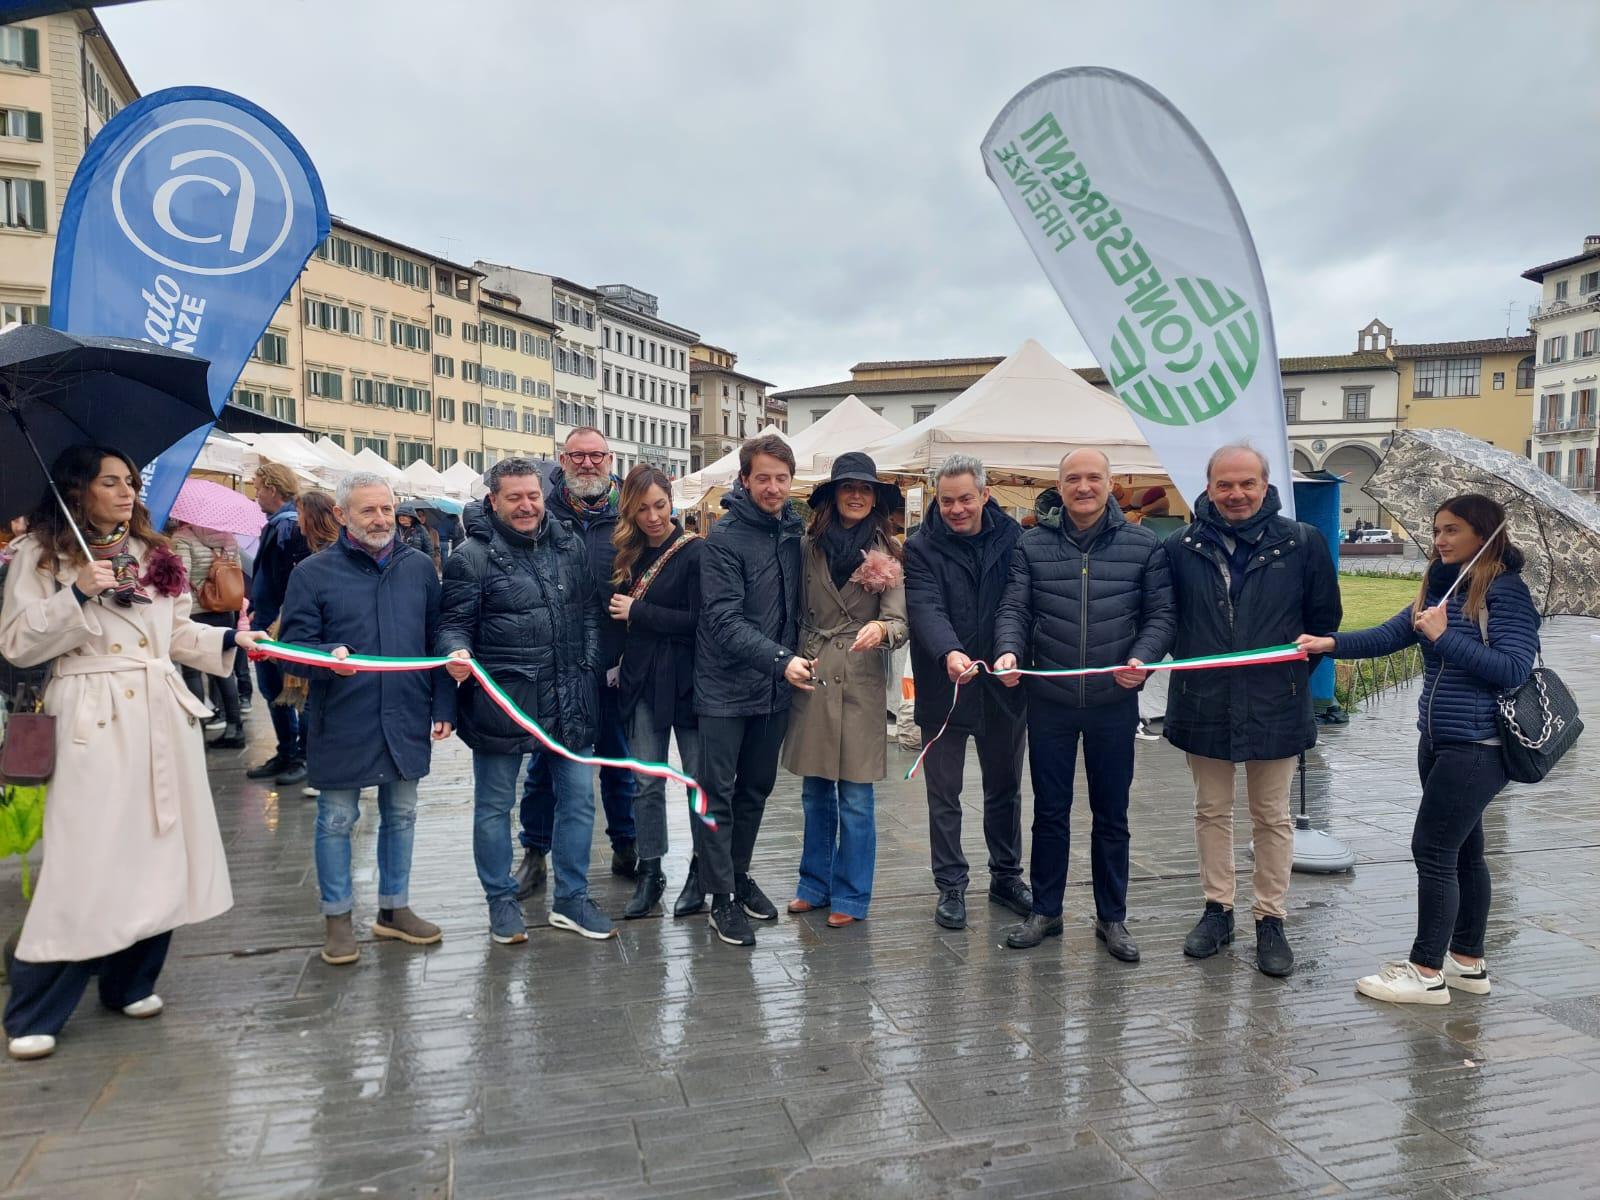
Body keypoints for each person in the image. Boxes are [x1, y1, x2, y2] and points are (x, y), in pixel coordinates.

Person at [1, 445, 258, 1061]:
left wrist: (235, 639)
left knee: (159, 850)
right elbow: (15, 643)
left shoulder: (152, 552)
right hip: (91, 715)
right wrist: (75, 596)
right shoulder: (40, 554)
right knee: (85, 860)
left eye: (129, 482)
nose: (125, 493)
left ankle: (130, 981)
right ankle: (36, 1004)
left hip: (160, 715)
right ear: (77, 489)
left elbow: (175, 635)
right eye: (110, 482)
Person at [1298, 494, 1539, 1005]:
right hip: (1438, 740)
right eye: (1436, 530)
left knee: (1432, 851)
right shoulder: (1444, 582)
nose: (1439, 540)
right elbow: (1393, 634)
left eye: (1452, 530)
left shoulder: (1507, 592)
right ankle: (1467, 964)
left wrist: (1445, 638)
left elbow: (1514, 669)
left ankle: (1425, 971)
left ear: (1482, 534)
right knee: (1465, 853)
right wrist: (1329, 644)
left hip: (1478, 745)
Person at [1164, 443, 1341, 977]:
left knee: (1272, 816)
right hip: (1204, 699)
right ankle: (1218, 910)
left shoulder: (1302, 542)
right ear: (1209, 486)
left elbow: (1322, 622)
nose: (1236, 494)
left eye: (1247, 483)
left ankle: (1271, 917)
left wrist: (1285, 680)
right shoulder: (1181, 545)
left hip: (1275, 702)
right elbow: (1169, 622)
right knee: (1211, 811)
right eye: (1225, 484)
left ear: (1266, 486)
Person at [993, 450, 1175, 959]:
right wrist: (1007, 649)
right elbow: (1014, 606)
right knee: (1050, 812)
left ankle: (1111, 918)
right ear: (1060, 485)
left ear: (1111, 485)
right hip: (1049, 700)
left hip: (1113, 702)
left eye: (1094, 477)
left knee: (1111, 814)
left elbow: (1161, 615)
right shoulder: (1031, 545)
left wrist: (1142, 658)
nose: (1084, 486)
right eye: (1073, 478)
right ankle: (1046, 910)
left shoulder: (1143, 545)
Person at [278, 472, 456, 967]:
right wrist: (323, 657)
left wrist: (444, 704)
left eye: (386, 509)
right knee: (336, 819)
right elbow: (290, 651)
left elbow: (437, 639)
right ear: (340, 516)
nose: (381, 520)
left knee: (402, 815)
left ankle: (394, 910)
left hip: (405, 713)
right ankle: (337, 918)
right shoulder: (311, 574)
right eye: (368, 511)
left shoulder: (419, 567)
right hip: (343, 717)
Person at [437, 457, 614, 943]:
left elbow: (590, 614)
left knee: (578, 802)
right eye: (514, 497)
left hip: (571, 696)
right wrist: (455, 650)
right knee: (495, 807)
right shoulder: (469, 558)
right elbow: (453, 623)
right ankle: (501, 902)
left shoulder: (568, 544)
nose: (526, 505)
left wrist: (590, 664)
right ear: (493, 501)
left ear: (544, 495)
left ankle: (572, 900)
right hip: (504, 701)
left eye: (532, 495)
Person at [904, 455, 1030, 931]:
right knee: (945, 793)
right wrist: (948, 652)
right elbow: (925, 607)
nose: (956, 509)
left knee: (1005, 789)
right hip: (945, 689)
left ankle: (1006, 876)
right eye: (947, 500)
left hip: (1003, 685)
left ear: (985, 495)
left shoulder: (1015, 538)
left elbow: (1016, 601)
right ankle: (951, 885)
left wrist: (1009, 650)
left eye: (965, 499)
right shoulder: (919, 547)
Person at [782, 453, 908, 928]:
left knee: (856, 798)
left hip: (859, 680)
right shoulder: (805, 547)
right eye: (847, 487)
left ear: (875, 498)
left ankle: (852, 897)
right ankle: (813, 885)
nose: (856, 495)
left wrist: (882, 629)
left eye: (866, 488)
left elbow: (899, 620)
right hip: (813, 675)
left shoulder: (891, 552)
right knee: (815, 793)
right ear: (833, 495)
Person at [690, 434, 806, 946]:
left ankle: (737, 878)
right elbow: (722, 621)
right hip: (724, 689)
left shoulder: (791, 533)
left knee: (756, 790)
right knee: (718, 795)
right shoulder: (724, 539)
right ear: (745, 480)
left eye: (782, 478)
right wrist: (782, 661)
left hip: (773, 691)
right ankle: (719, 899)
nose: (774, 487)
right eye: (764, 478)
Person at [513, 427, 638, 896]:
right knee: (545, 763)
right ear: (561, 459)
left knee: (618, 757)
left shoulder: (630, 515)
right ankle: (534, 851)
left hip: (614, 660)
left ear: (610, 459)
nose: (587, 464)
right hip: (554, 662)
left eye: (596, 456)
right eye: (577, 456)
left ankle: (626, 844)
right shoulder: (541, 513)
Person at [607, 465, 705, 918]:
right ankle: (651, 871)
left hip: (687, 682)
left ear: (672, 501)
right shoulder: (624, 552)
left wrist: (641, 613)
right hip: (643, 681)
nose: (652, 516)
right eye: (642, 507)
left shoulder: (694, 552)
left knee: (698, 784)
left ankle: (702, 871)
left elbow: (700, 623)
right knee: (646, 784)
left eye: (660, 505)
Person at [246, 463, 311, 786]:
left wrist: (278, 619)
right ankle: (288, 751)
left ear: (272, 489)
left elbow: (289, 581)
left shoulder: (287, 527)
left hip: (280, 626)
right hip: (268, 621)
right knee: (274, 691)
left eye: (258, 488)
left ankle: (299, 755)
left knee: (291, 691)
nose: (255, 494)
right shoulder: (278, 524)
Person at [168, 521, 245, 749]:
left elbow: (182, 576)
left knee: (192, 672)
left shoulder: (182, 537)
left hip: (196, 609)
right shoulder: (227, 536)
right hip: (224, 609)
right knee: (224, 670)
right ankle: (235, 728)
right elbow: (236, 571)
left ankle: (198, 732)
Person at [395, 502, 436, 567]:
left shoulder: (421, 529)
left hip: (416, 564)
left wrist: (429, 565)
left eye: (404, 515)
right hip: (398, 564)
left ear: (411, 518)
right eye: (399, 515)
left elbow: (429, 550)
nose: (401, 517)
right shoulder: (394, 529)